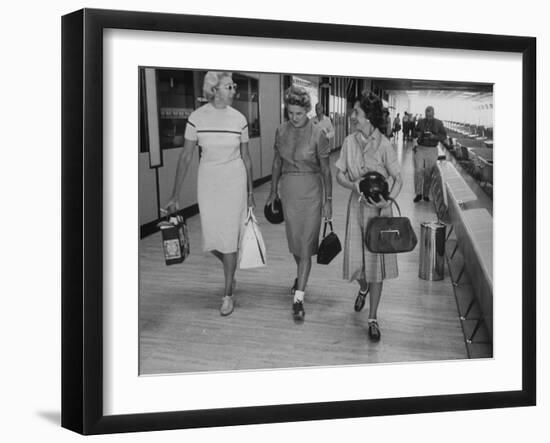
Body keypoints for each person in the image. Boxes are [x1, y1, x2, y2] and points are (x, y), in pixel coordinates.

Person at [164, 71, 255, 316]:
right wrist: (174, 194)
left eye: (234, 86)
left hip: (234, 182)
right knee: (213, 239)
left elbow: (246, 158)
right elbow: (185, 156)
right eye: (229, 86)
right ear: (214, 90)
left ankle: (228, 294)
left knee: (229, 239)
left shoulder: (239, 119)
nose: (234, 90)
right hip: (209, 183)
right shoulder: (197, 118)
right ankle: (230, 267)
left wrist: (250, 191)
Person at [335, 92, 403, 341]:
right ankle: (362, 288)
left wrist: (389, 200)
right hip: (357, 209)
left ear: (368, 117)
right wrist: (353, 186)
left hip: (378, 213)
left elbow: (399, 178)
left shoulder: (384, 144)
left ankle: (373, 317)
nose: (352, 117)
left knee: (376, 268)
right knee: (357, 265)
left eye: (356, 113)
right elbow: (339, 174)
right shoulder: (348, 142)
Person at [266, 85, 332, 322]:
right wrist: (273, 191)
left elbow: (326, 171)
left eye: (299, 113)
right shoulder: (281, 131)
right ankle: (300, 277)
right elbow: (276, 164)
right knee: (296, 245)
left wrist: (328, 200)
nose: (294, 118)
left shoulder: (318, 134)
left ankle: (298, 299)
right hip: (289, 192)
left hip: (312, 192)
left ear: (308, 111)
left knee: (305, 246)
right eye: (290, 113)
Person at [412, 105, 447, 203]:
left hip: (432, 149)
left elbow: (444, 136)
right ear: (425, 114)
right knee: (418, 170)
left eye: (430, 116)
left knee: (428, 172)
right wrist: (419, 134)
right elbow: (414, 132)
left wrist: (434, 136)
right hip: (420, 148)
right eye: (427, 116)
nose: (429, 118)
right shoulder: (420, 122)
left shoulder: (439, 123)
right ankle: (418, 193)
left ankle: (426, 194)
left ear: (434, 114)